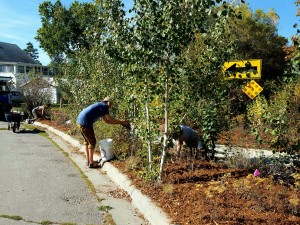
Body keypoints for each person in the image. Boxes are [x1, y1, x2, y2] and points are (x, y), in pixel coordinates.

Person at [76, 97, 130, 168]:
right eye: (111, 104)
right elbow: (110, 119)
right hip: (85, 123)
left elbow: (107, 121)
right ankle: (91, 163)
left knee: (87, 142)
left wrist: (120, 122)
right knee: (92, 142)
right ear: (108, 102)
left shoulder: (100, 106)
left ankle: (88, 161)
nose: (111, 106)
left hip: (80, 122)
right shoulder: (104, 106)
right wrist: (122, 122)